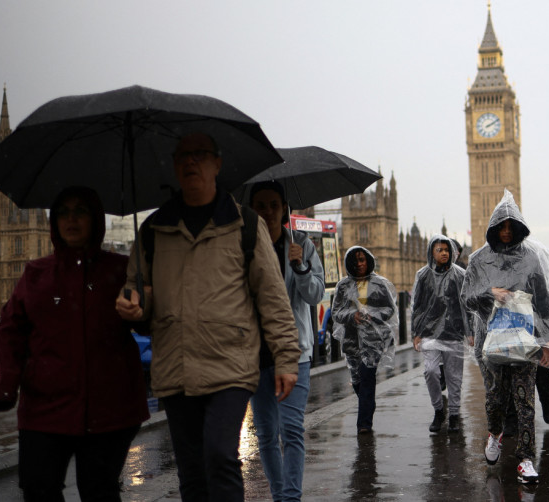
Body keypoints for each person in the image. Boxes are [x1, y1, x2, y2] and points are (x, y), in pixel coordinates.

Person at [115, 133, 300, 501]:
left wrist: (286, 358)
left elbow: (272, 296)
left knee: (219, 455)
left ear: (217, 163)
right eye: (183, 155)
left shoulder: (244, 224)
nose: (191, 162)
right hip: (176, 364)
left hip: (230, 362)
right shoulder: (153, 230)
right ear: (174, 164)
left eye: (200, 154)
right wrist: (132, 304)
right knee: (192, 471)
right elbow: (137, 291)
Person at [0, 186, 150, 501]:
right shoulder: (36, 274)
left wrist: (139, 311)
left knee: (99, 490)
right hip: (45, 408)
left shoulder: (121, 270)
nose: (71, 219)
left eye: (81, 211)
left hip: (109, 408)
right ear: (53, 222)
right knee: (38, 489)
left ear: (96, 219)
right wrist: (7, 382)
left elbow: (150, 321)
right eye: (63, 212)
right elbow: (11, 329)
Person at [461, 190, 549, 485]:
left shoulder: (531, 259)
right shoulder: (479, 259)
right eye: (501, 227)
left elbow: (543, 303)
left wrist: (548, 341)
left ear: (518, 227)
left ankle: (526, 458)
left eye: (511, 227)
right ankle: (494, 434)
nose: (506, 232)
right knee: (495, 398)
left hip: (525, 340)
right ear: (493, 228)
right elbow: (466, 297)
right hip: (491, 341)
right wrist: (489, 292)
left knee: (524, 401)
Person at [249, 181, 325, 502]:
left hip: (295, 352)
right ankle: (280, 494)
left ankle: (289, 498)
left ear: (284, 210)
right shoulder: (244, 247)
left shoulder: (302, 245)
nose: (267, 212)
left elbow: (316, 294)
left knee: (292, 431)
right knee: (266, 435)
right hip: (254, 354)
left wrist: (301, 267)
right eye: (260, 206)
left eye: (273, 205)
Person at [332, 246, 397, 434]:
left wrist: (372, 315)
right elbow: (336, 312)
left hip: (373, 340)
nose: (359, 264)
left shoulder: (379, 283)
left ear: (368, 260)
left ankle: (364, 425)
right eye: (355, 261)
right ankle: (368, 403)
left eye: (362, 260)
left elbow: (389, 309)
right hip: (352, 340)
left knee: (367, 376)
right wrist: (353, 315)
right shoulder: (343, 286)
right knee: (357, 380)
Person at [411, 234, 471, 434]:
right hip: (430, 334)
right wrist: (416, 332)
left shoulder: (460, 275)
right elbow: (417, 306)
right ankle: (438, 410)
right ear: (432, 252)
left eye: (447, 250)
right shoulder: (423, 275)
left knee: (454, 377)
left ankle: (454, 414)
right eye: (440, 250)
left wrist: (469, 332)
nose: (444, 253)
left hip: (453, 333)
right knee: (431, 372)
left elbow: (466, 306)